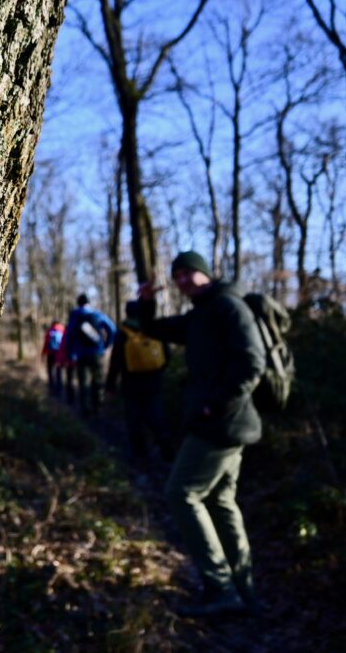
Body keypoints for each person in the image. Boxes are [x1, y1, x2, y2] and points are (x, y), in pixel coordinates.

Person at [136, 251, 265, 617]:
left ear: (205, 274)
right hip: (223, 423)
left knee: (181, 493)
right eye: (176, 276)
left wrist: (215, 405)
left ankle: (221, 587)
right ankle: (243, 590)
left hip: (222, 424)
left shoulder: (227, 306)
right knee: (221, 503)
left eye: (188, 273)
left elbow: (252, 362)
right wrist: (146, 304)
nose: (182, 281)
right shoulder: (200, 314)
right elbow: (154, 329)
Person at [106, 300, 171, 461]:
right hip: (154, 380)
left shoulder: (123, 332)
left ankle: (140, 455)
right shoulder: (153, 328)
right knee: (156, 414)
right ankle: (166, 448)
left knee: (133, 417)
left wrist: (110, 386)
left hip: (131, 382)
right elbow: (167, 356)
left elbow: (115, 362)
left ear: (127, 312)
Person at [60, 294, 116, 416]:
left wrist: (70, 352)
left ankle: (85, 409)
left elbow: (69, 335)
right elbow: (112, 329)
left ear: (78, 303)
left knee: (83, 382)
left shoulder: (75, 315)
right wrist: (106, 345)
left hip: (81, 354)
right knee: (98, 381)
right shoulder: (97, 314)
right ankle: (98, 407)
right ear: (89, 303)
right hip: (97, 352)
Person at [41, 320, 66, 397]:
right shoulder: (63, 330)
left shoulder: (50, 331)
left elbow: (46, 343)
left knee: (50, 370)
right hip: (60, 354)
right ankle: (60, 389)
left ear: (53, 324)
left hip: (50, 354)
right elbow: (66, 343)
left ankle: (51, 388)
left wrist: (43, 354)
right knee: (59, 371)